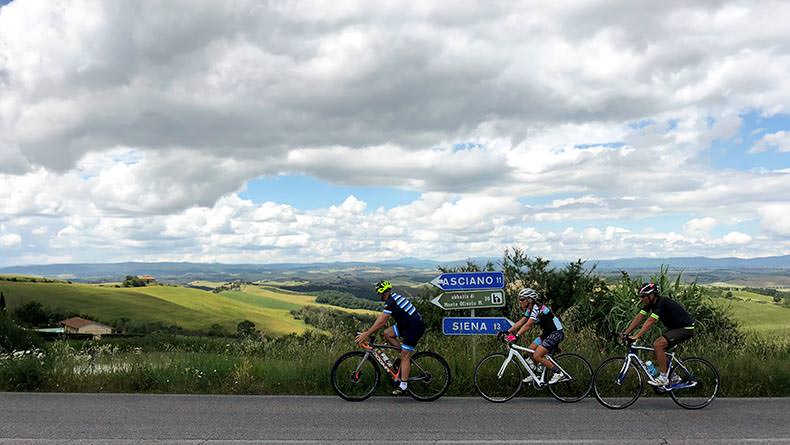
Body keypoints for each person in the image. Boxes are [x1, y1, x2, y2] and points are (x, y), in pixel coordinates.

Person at [355, 280, 426, 396]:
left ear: (385, 292)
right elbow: (381, 318)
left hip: (414, 327)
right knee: (387, 333)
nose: (379, 296)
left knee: (405, 355)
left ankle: (403, 386)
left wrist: (366, 334)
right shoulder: (391, 299)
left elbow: (382, 321)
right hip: (406, 324)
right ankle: (402, 359)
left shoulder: (391, 301)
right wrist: (368, 331)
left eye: (380, 293)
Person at [621, 282, 696, 387]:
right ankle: (673, 376)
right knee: (656, 352)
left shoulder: (661, 303)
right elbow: (639, 317)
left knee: (658, 344)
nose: (641, 299)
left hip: (685, 329)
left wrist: (637, 336)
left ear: (652, 295)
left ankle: (664, 378)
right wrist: (626, 332)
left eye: (643, 296)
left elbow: (650, 320)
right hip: (675, 328)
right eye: (640, 297)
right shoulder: (650, 304)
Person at [503, 287, 565, 385]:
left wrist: (517, 335)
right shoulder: (530, 309)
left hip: (556, 333)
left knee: (537, 355)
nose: (520, 302)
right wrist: (507, 331)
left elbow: (528, 325)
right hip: (547, 334)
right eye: (520, 299)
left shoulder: (537, 308)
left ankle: (558, 373)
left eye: (522, 299)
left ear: (530, 300)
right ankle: (536, 375)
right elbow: (521, 321)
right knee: (529, 351)